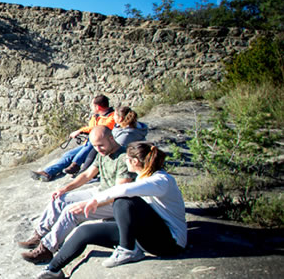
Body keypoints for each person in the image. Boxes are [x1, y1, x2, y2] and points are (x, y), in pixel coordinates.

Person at [34, 141, 187, 279]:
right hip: (147, 233)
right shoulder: (143, 177)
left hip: (169, 242)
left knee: (123, 201)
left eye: (126, 159)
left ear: (134, 161)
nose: (125, 161)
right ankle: (52, 270)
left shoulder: (161, 180)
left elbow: (124, 189)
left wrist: (94, 201)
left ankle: (127, 250)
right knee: (85, 231)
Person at [19, 126, 134, 264]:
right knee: (60, 200)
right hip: (101, 191)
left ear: (111, 138)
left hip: (116, 202)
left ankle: (46, 249)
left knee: (71, 211)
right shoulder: (103, 153)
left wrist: (89, 204)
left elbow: (119, 192)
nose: (98, 149)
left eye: (101, 145)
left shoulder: (123, 158)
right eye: (95, 146)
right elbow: (86, 175)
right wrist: (65, 189)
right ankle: (40, 235)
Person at [31, 95, 115, 182]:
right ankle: (48, 172)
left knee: (89, 144)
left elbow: (100, 129)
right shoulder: (96, 116)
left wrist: (80, 130)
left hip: (100, 145)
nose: (92, 107)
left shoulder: (112, 117)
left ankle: (76, 164)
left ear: (97, 107)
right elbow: (91, 127)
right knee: (68, 155)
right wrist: (82, 131)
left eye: (93, 105)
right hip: (88, 145)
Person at [67, 106, 148, 176]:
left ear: (120, 118)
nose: (113, 117)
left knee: (96, 147)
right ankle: (77, 166)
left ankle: (82, 169)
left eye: (115, 115)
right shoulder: (122, 127)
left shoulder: (126, 135)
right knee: (89, 147)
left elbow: (117, 146)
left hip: (127, 155)